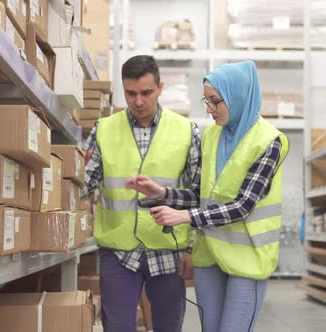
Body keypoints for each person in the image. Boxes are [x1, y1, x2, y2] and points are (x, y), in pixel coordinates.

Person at [126, 60, 289, 332]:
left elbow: (243, 206)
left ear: (237, 97)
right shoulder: (212, 136)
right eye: (207, 101)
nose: (209, 109)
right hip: (209, 257)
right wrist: (163, 193)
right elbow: (200, 194)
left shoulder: (269, 141)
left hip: (247, 260)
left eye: (215, 102)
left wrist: (185, 217)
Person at [80, 55, 201, 332]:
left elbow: (198, 195)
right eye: (131, 93)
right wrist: (73, 166)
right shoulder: (104, 129)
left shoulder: (185, 131)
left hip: (169, 250)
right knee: (118, 327)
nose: (138, 101)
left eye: (146, 93)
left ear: (160, 87)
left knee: (168, 327)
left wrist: (192, 248)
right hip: (118, 250)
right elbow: (83, 187)